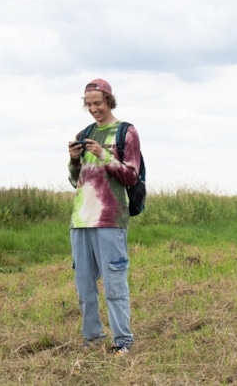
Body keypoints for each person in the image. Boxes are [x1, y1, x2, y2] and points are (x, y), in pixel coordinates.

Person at [67, 78, 141, 356]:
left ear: (109, 100)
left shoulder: (126, 132)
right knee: (84, 287)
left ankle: (123, 342)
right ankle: (92, 340)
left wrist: (104, 155)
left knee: (114, 284)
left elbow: (131, 175)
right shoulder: (84, 132)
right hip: (80, 220)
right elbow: (75, 180)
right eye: (88, 105)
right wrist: (74, 159)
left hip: (110, 219)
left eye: (97, 103)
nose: (93, 109)